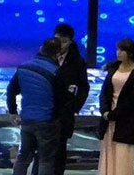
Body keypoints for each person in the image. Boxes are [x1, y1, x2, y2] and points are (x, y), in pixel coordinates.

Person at [7, 39, 62, 175]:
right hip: (47, 122)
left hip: (27, 120)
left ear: (41, 48)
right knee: (46, 161)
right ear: (57, 54)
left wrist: (13, 111)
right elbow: (60, 99)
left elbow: (11, 90)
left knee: (23, 157)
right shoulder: (56, 72)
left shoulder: (24, 68)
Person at [98, 39, 134, 175]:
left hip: (126, 120)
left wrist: (113, 115)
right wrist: (105, 111)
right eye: (118, 49)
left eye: (122, 50)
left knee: (122, 156)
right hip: (109, 120)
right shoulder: (113, 68)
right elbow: (104, 92)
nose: (118, 53)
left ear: (130, 53)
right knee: (109, 153)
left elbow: (131, 101)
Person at [50, 24, 89, 175]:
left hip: (64, 114)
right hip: (44, 112)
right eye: (57, 40)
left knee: (60, 152)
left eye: (64, 41)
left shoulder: (77, 62)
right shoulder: (46, 56)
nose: (60, 45)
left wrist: (74, 107)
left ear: (71, 41)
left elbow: (83, 88)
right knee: (43, 153)